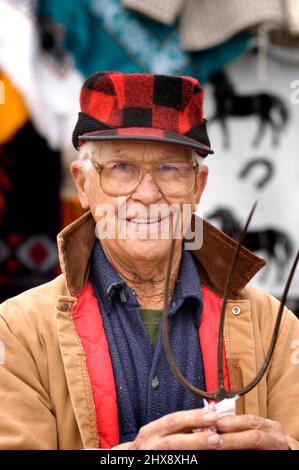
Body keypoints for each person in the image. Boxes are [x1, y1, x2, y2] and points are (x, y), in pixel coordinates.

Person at [0, 72, 298, 450]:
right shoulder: (19, 331)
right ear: (82, 185)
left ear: (198, 187)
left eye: (169, 168)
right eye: (122, 167)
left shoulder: (273, 325)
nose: (146, 193)